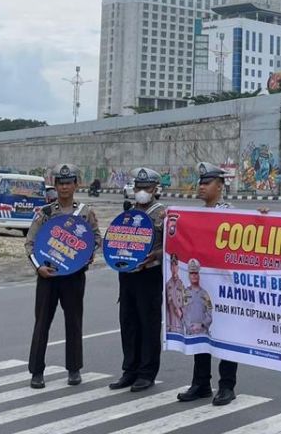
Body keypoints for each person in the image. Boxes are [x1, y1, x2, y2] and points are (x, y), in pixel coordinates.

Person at [24, 164, 100, 389]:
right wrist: (39, 268)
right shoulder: (45, 213)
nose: (65, 187)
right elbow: (30, 243)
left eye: (69, 183)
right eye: (61, 183)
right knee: (42, 323)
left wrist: (87, 256)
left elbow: (96, 239)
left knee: (74, 322)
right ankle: (36, 371)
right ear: (55, 185)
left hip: (74, 277)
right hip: (48, 276)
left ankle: (74, 369)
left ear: (76, 185)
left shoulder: (85, 212)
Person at [178, 163, 239, 406]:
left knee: (226, 335)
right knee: (200, 329)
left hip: (225, 286)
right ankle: (201, 382)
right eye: (200, 183)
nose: (201, 188)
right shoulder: (197, 215)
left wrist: (262, 216)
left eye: (207, 183)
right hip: (203, 286)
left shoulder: (232, 214)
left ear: (220, 186)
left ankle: (227, 386)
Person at [108, 167, 166, 393]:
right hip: (127, 275)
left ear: (155, 189)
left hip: (149, 274)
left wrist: (156, 255)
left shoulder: (163, 214)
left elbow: (173, 245)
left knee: (148, 324)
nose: (142, 191)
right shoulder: (128, 213)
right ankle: (129, 370)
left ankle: (146, 373)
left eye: (147, 188)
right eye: (139, 187)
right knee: (128, 323)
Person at [165, 253, 185, 333]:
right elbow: (166, 308)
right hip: (170, 326)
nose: (174, 267)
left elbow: (187, 304)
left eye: (175, 265)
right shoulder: (167, 285)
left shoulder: (182, 284)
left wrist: (182, 312)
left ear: (178, 267)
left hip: (180, 326)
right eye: (172, 265)